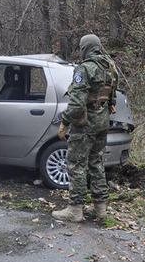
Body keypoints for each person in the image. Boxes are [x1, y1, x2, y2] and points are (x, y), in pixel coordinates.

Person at [51, 34, 119, 223]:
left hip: (86, 123)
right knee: (96, 163)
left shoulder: (85, 69)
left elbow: (76, 104)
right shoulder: (110, 66)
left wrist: (64, 122)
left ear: (85, 48)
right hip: (103, 122)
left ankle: (75, 209)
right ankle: (101, 208)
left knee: (76, 165)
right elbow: (112, 96)